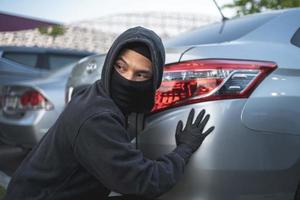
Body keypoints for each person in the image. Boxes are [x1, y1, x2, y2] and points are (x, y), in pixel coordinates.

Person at [4, 26, 214, 200]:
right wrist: (183, 150)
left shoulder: (96, 94)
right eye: (121, 68)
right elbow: (144, 182)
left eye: (141, 74)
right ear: (110, 63)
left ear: (153, 80)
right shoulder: (96, 117)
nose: (128, 79)